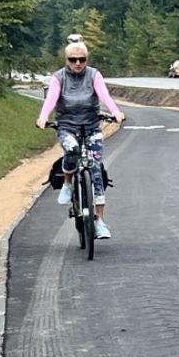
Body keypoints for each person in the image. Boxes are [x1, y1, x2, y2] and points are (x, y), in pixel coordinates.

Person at [36, 41, 126, 239]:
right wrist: (43, 117)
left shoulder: (94, 75)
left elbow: (104, 95)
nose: (77, 63)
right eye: (73, 60)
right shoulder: (59, 77)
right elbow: (51, 98)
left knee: (95, 169)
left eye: (81, 59)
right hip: (67, 126)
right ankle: (68, 183)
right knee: (72, 151)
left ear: (87, 60)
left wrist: (115, 112)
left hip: (91, 126)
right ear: (66, 60)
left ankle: (99, 221)